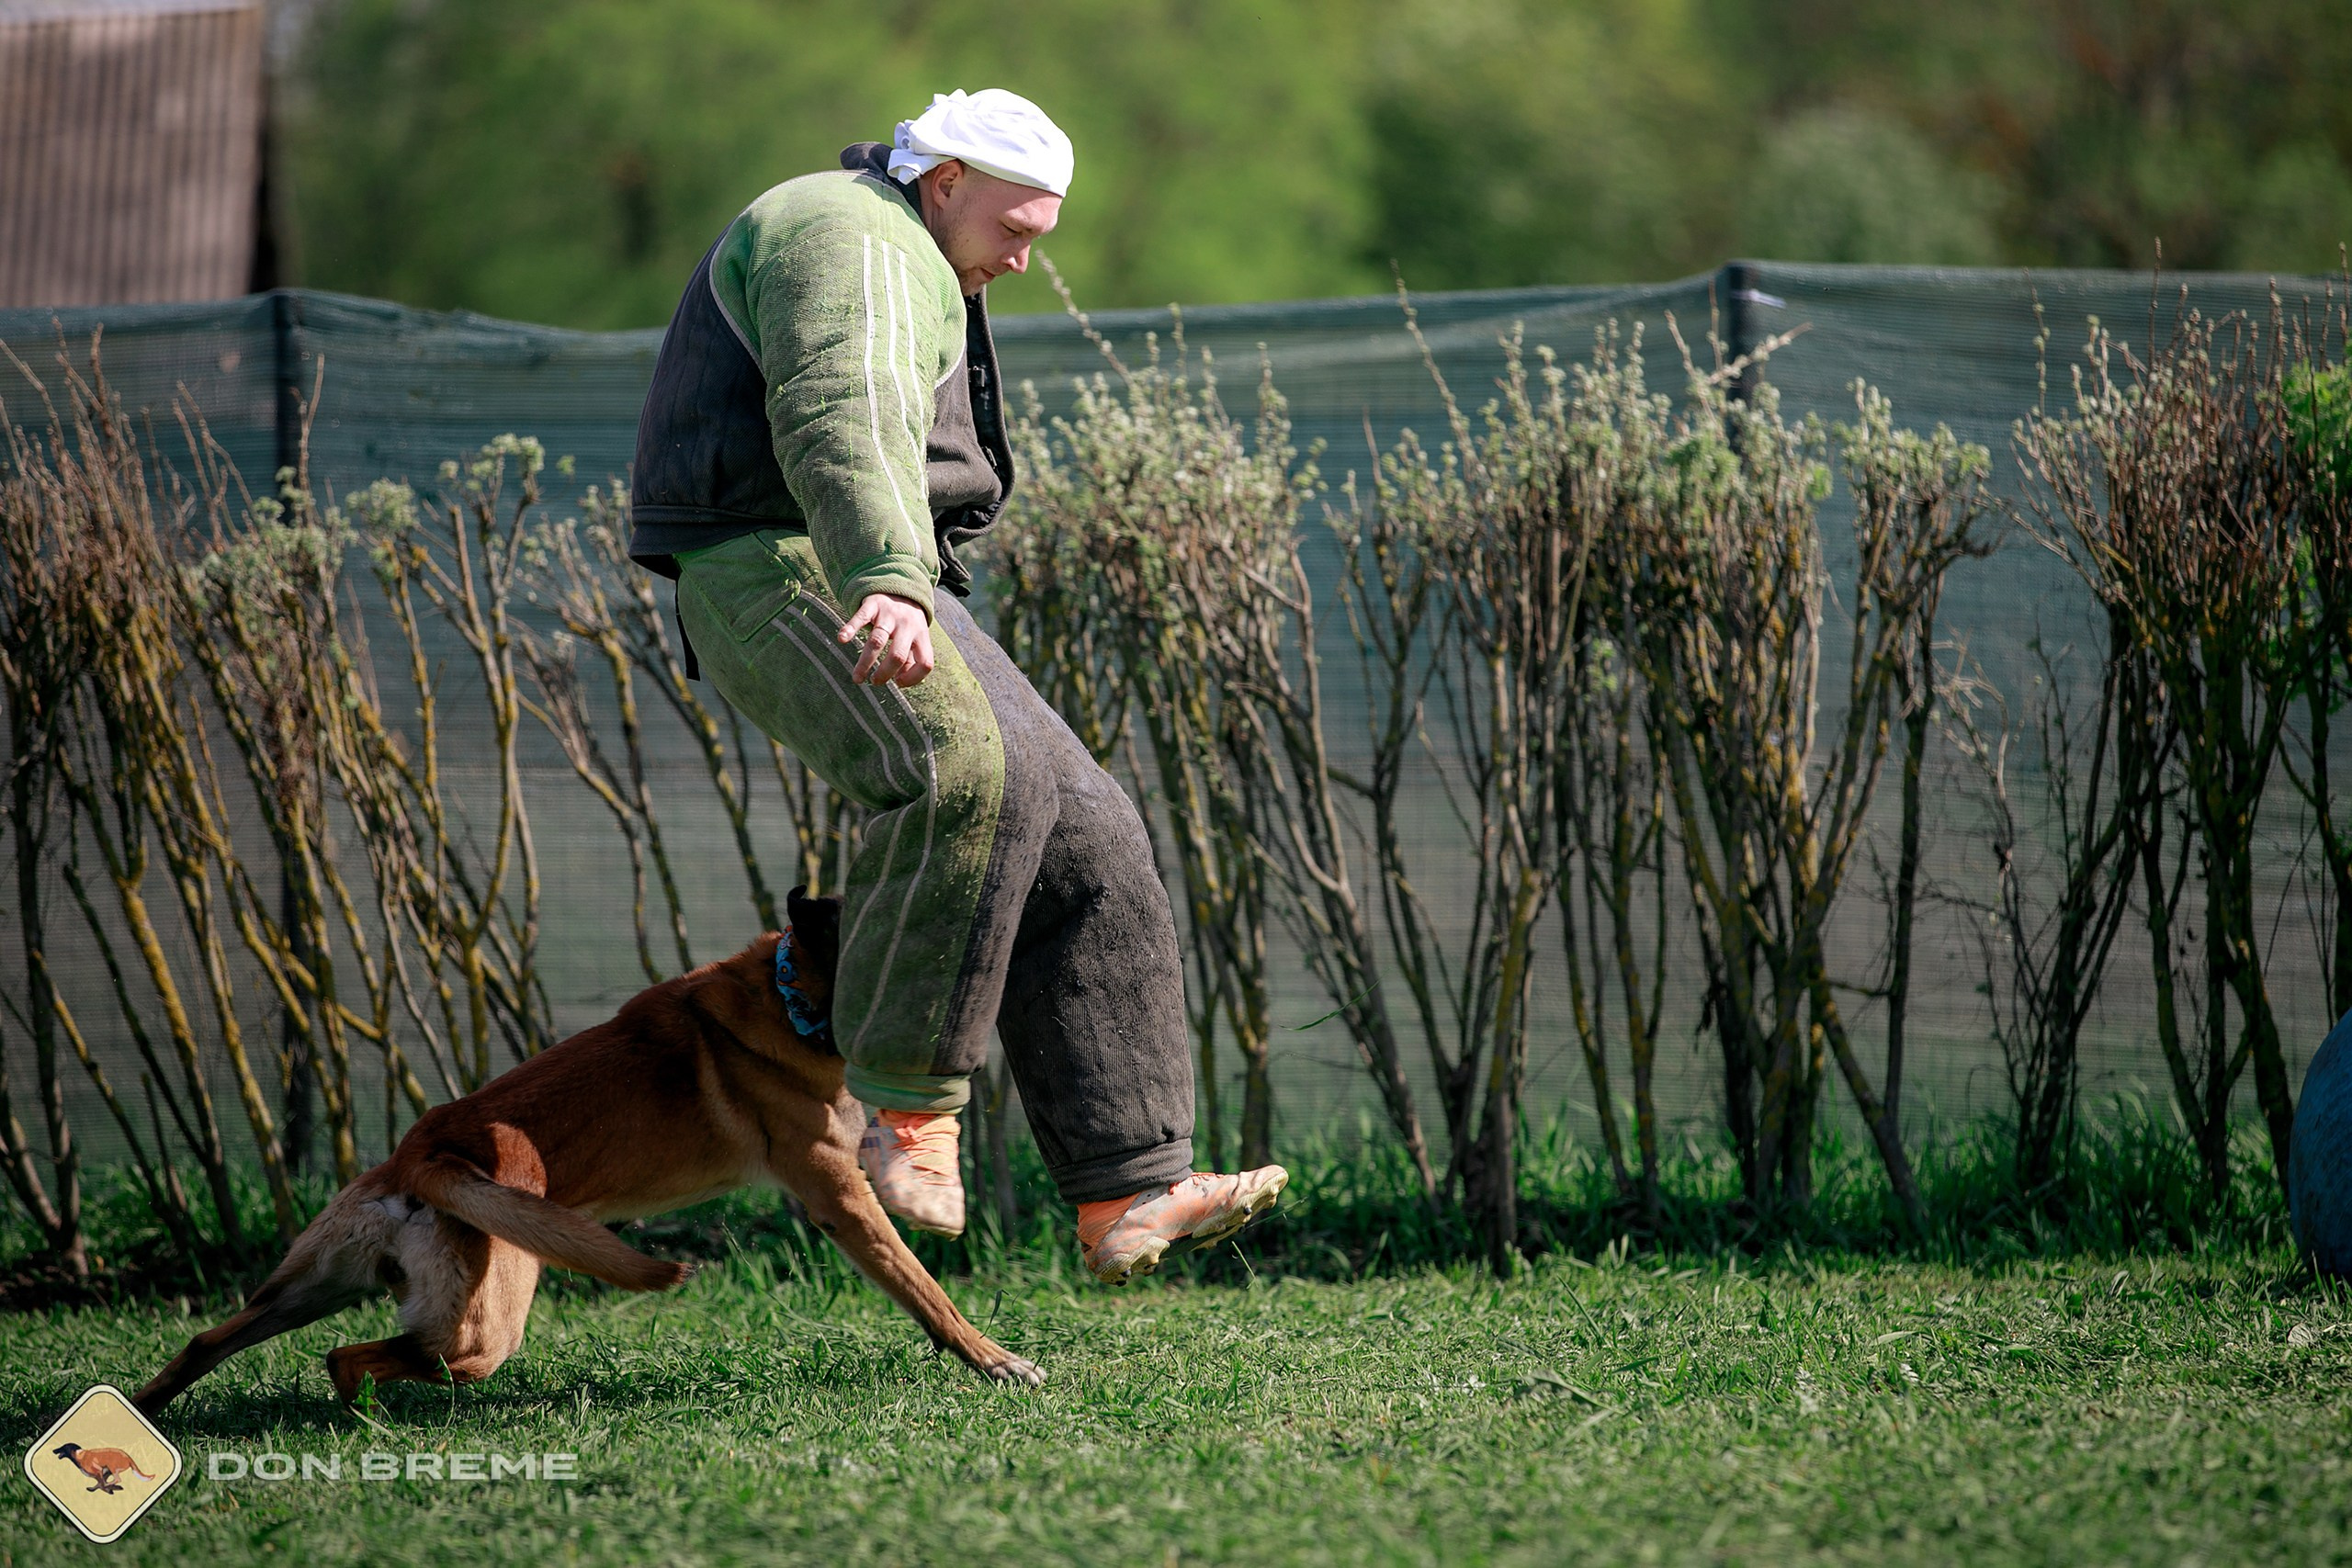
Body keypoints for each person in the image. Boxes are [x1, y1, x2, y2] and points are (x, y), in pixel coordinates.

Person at [628, 89, 1285, 1284]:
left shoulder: (914, 247)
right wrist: (888, 574)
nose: (1029, 257)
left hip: (878, 567)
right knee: (955, 769)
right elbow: (845, 409)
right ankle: (905, 1118)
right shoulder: (851, 235)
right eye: (1016, 227)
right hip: (778, 557)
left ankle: (1129, 1189)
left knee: (1090, 836)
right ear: (943, 183)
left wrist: (904, 574)